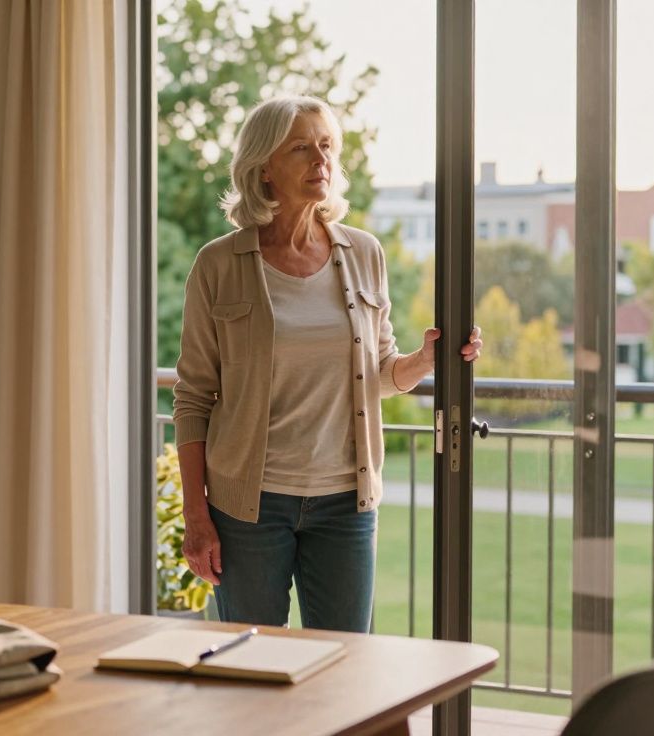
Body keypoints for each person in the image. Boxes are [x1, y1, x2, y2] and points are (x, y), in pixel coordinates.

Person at [172, 96, 483, 633]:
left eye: (326, 146)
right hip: (249, 507)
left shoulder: (364, 253)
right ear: (264, 167)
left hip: (346, 504)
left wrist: (425, 360)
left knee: (344, 666)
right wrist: (196, 517)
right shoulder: (218, 264)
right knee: (252, 663)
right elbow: (194, 397)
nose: (321, 160)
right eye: (301, 148)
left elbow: (382, 372)